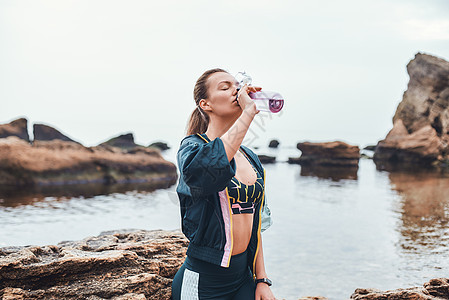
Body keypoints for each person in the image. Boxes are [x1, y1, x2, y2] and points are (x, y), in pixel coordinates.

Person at [171, 68, 275, 300]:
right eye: (225, 87)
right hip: (203, 281)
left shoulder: (250, 157)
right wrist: (248, 113)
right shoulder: (192, 148)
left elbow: (256, 223)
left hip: (243, 279)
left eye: (237, 86)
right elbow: (206, 170)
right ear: (205, 104)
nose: (236, 91)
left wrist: (261, 279)